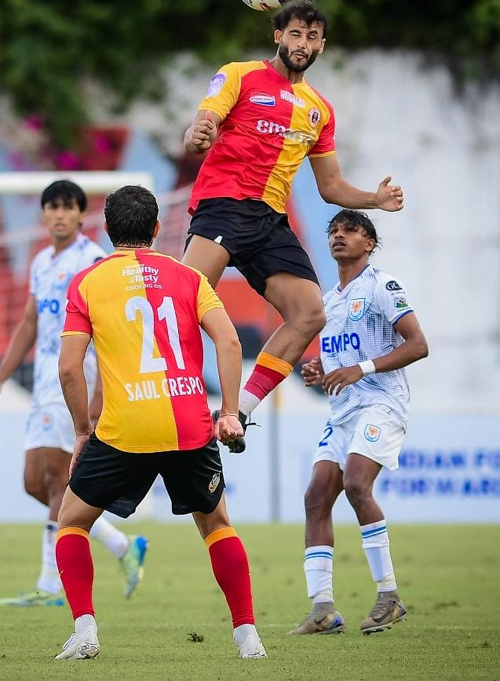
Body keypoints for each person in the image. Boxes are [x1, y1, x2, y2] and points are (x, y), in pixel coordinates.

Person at [53, 184, 267, 661]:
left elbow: (68, 368)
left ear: (106, 229)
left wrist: (83, 431)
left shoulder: (87, 282)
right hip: (189, 422)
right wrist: (229, 412)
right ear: (155, 228)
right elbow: (230, 342)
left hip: (124, 428)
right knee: (216, 524)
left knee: (71, 521)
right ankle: (248, 637)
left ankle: (85, 630)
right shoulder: (190, 277)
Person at [182, 0, 404, 452]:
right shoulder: (240, 75)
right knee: (183, 304)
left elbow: (331, 185)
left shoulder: (319, 109)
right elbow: (204, 124)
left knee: (310, 313)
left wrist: (375, 200)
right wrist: (196, 135)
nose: (303, 43)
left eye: (313, 37)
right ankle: (173, 404)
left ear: (321, 46)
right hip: (223, 205)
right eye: (296, 34)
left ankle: (238, 412)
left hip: (269, 220)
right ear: (278, 36)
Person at [0, 180, 148, 607]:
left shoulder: (95, 261)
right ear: (44, 215)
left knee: (56, 477)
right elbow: (30, 323)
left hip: (76, 377)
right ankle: (122, 544)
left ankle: (50, 586)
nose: (59, 214)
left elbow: (108, 330)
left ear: (83, 214)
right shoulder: (41, 262)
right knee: (35, 482)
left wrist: (100, 392)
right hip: (44, 380)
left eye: (68, 207)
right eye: (52, 207)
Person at [289, 210, 428, 636]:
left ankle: (389, 596)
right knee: (316, 496)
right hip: (343, 411)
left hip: (382, 403)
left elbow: (418, 345)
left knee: (355, 484)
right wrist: (319, 369)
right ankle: (322, 609)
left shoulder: (382, 286)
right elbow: (340, 360)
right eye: (333, 230)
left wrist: (360, 369)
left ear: (369, 243)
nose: (339, 235)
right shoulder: (328, 301)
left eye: (350, 230)